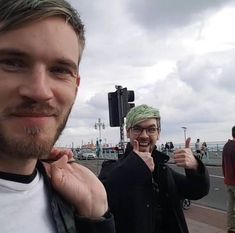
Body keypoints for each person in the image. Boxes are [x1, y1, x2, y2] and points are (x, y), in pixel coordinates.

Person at [0, 1, 115, 232]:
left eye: (60, 70)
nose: (40, 91)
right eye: (12, 63)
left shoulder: (74, 200)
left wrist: (95, 218)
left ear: (76, 86)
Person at [99, 104, 210, 233]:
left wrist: (195, 166)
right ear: (128, 132)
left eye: (151, 129)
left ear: (158, 134)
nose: (144, 135)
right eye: (137, 129)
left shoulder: (163, 170)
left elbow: (197, 191)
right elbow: (103, 194)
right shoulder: (111, 169)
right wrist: (135, 165)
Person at [222, 126, 235, 233]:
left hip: (228, 181)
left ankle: (231, 228)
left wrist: (225, 176)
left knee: (231, 206)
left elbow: (223, 164)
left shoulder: (226, 145)